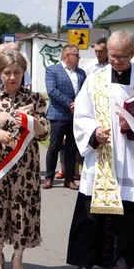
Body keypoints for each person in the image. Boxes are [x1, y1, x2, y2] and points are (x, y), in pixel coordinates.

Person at [66, 32, 134, 269]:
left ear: (133, 53)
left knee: (129, 212)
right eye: (113, 56)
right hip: (101, 155)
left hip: (131, 155)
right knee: (91, 211)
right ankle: (85, 261)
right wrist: (93, 132)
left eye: (122, 56)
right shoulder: (95, 79)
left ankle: (123, 263)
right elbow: (82, 114)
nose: (117, 61)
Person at [0, 50, 50, 269]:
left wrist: (32, 122)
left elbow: (44, 133)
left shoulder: (35, 99)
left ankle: (18, 256)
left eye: (17, 72)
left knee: (21, 211)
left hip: (25, 169)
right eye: (7, 73)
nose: (12, 77)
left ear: (24, 72)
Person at [43, 44, 85, 190]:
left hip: (76, 116)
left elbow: (85, 92)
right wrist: (69, 104)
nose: (79, 58)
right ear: (67, 56)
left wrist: (79, 105)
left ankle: (69, 179)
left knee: (72, 149)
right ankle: (49, 177)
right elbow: (52, 91)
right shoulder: (52, 70)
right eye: (77, 55)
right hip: (58, 115)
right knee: (54, 147)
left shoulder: (81, 73)